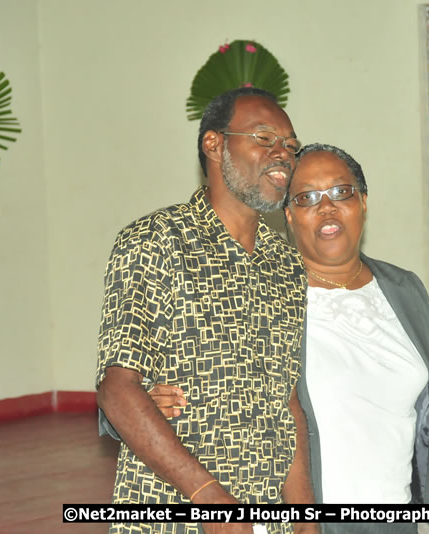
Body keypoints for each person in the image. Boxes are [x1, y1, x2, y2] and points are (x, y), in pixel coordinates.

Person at [143, 144, 429, 534]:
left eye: (341, 192)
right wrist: (155, 398)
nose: (327, 208)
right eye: (307, 198)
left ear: (363, 202)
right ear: (289, 215)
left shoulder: (404, 288)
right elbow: (188, 377)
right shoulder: (262, 294)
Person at [95, 87, 319, 534]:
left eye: (291, 147)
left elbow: (287, 402)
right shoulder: (156, 241)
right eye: (264, 138)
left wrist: (305, 520)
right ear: (214, 144)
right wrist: (207, 497)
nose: (283, 155)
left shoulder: (286, 262)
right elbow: (118, 389)